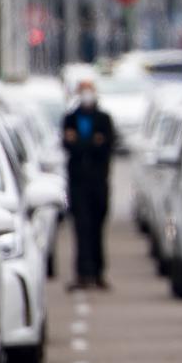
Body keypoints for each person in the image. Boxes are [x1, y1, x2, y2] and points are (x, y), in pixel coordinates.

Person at [62, 79, 116, 290]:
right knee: (81, 228)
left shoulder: (103, 119)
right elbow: (68, 145)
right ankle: (82, 273)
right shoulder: (71, 118)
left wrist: (81, 143)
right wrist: (92, 142)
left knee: (97, 228)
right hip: (77, 184)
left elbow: (106, 146)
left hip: (98, 183)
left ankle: (98, 272)